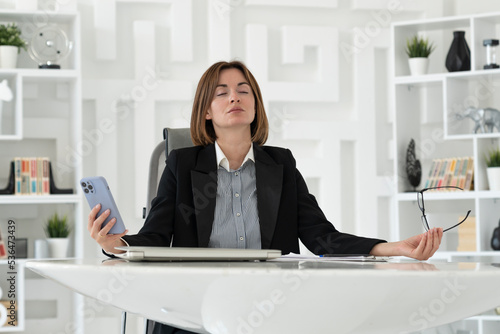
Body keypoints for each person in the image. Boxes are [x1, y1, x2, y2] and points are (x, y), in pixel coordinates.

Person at [87, 60, 443, 334]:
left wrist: (392, 248)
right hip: (197, 307)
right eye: (221, 92)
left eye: (244, 90)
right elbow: (155, 237)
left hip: (268, 307)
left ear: (255, 105)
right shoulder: (182, 163)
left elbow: (321, 237)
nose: (234, 97)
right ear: (206, 111)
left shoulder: (281, 164)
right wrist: (115, 243)